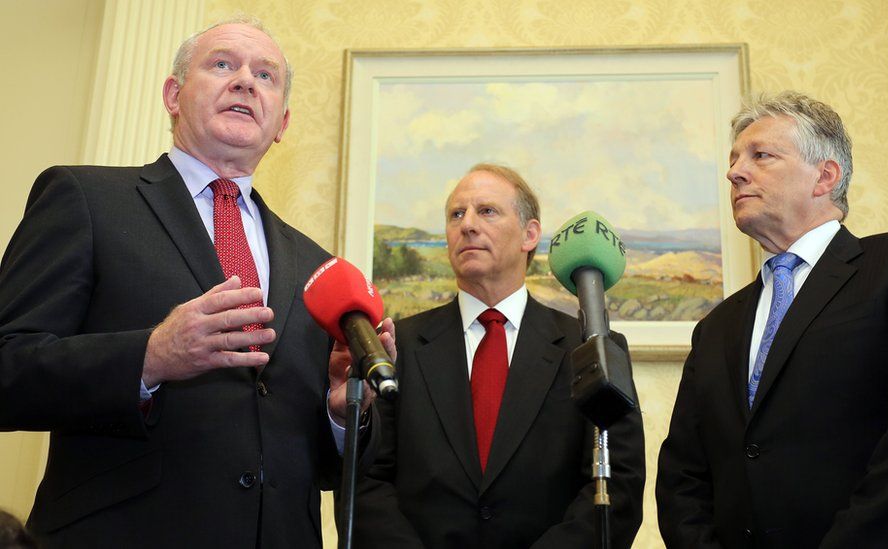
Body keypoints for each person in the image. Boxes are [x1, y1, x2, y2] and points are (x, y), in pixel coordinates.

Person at [0, 18, 391, 548]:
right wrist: (150, 355)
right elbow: (9, 371)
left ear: (282, 123)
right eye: (223, 65)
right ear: (173, 95)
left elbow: (318, 468)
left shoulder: (316, 267)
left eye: (266, 76)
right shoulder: (86, 199)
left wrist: (341, 414)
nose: (246, 82)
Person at [656, 91, 888, 547]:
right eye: (734, 160)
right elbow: (683, 477)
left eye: (760, 155)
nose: (734, 171)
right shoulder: (717, 326)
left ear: (825, 175)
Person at [351, 163, 645, 547]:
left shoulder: (587, 346)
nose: (468, 224)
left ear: (530, 234)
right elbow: (365, 482)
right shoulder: (396, 347)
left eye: (486, 211)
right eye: (457, 214)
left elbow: (616, 486)